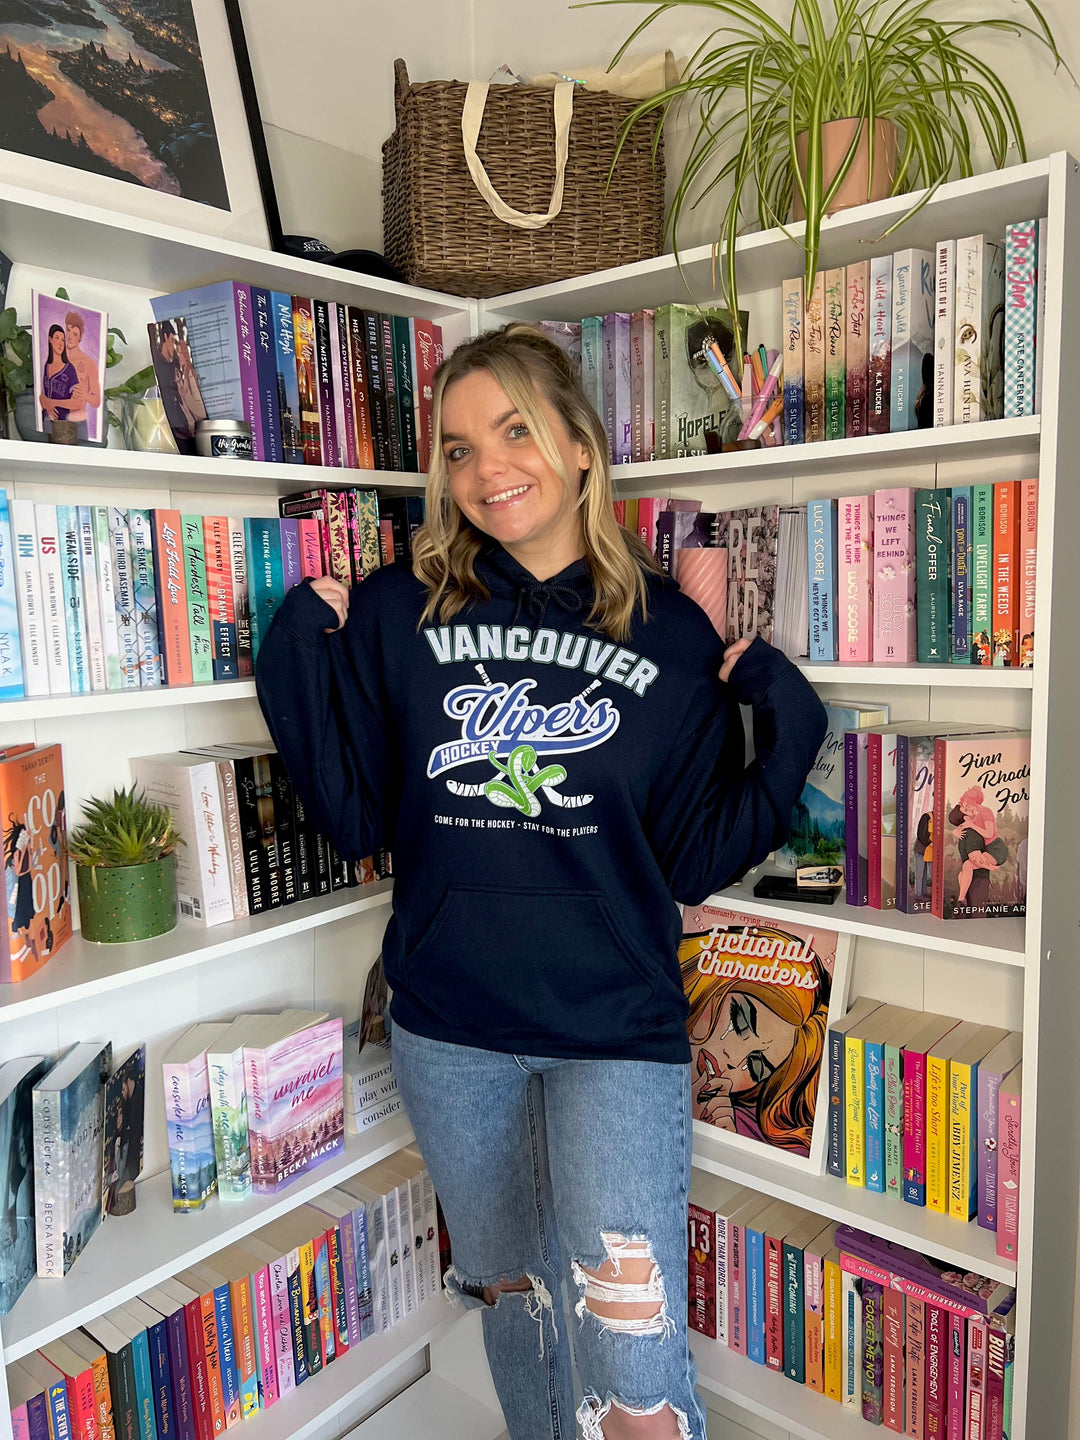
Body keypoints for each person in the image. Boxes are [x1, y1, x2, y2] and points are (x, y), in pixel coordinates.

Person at [255, 323, 826, 1440]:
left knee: (630, 1342)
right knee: (517, 1303)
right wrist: (295, 658)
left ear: (578, 448)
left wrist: (790, 729)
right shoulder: (395, 612)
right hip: (449, 1027)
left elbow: (697, 856)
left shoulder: (666, 631)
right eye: (458, 447)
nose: (486, 468)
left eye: (514, 430)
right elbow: (360, 815)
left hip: (613, 1029)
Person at [62, 309, 102, 442]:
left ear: (80, 337)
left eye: (75, 333)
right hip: (55, 423)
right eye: (68, 331)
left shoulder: (89, 363)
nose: (70, 336)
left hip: (77, 422)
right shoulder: (55, 359)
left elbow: (97, 401)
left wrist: (84, 395)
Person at [39, 323, 79, 433]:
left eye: (63, 340)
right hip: (45, 422)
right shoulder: (46, 366)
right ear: (50, 339)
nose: (61, 343)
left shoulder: (69, 369)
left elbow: (77, 402)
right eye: (57, 338)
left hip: (63, 426)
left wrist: (53, 403)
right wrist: (46, 404)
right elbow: (42, 394)